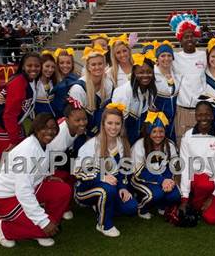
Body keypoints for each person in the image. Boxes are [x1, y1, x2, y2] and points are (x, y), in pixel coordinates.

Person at [0, 113, 71, 247]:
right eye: (45, 127)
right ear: (36, 128)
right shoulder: (27, 151)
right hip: (4, 196)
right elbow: (23, 191)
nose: (50, 131)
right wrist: (43, 222)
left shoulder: (44, 143)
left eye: (53, 128)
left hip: (29, 188)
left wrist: (47, 176)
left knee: (63, 190)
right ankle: (5, 227)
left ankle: (41, 225)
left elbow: (40, 165)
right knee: (45, 229)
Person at [74, 104, 137, 237]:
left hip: (112, 187)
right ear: (103, 124)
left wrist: (123, 187)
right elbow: (78, 172)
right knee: (107, 189)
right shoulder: (92, 145)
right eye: (109, 123)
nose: (113, 127)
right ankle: (104, 224)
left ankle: (101, 205)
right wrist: (101, 177)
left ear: (121, 125)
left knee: (131, 208)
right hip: (85, 189)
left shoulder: (123, 143)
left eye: (117, 123)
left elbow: (125, 171)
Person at [179, 100, 215, 225]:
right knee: (203, 183)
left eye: (207, 114)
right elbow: (185, 168)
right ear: (195, 116)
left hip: (214, 184)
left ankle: (199, 203)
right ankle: (192, 201)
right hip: (196, 181)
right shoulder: (187, 136)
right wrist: (184, 198)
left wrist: (213, 195)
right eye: (200, 115)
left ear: (212, 115)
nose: (204, 118)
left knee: (213, 219)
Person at [0, 52, 40, 158]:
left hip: (9, 124)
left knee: (18, 159)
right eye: (29, 65)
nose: (33, 68)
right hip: (0, 125)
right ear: (23, 66)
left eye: (37, 66)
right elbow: (9, 115)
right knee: (10, 162)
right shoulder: (19, 82)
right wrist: (14, 141)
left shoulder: (31, 80)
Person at [131, 111, 181, 219]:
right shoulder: (140, 145)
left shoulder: (169, 144)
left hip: (163, 178)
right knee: (155, 195)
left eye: (161, 131)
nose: (158, 135)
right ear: (149, 132)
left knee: (176, 196)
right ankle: (142, 207)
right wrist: (161, 180)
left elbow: (174, 166)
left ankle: (161, 205)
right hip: (140, 178)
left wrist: (168, 181)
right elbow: (139, 171)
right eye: (154, 131)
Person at [169, 10, 205, 144]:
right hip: (182, 109)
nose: (189, 39)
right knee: (183, 144)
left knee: (201, 143)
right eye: (185, 37)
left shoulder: (204, 56)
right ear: (180, 39)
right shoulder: (175, 57)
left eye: (191, 36)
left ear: (196, 37)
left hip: (201, 109)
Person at [47, 100, 88, 220]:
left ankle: (67, 202)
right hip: (46, 160)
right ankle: (56, 206)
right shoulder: (59, 136)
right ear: (67, 119)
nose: (82, 123)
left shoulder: (74, 128)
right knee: (60, 178)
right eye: (77, 120)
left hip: (62, 154)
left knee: (72, 174)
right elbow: (47, 159)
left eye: (84, 119)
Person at [111, 51, 157, 145]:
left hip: (136, 136)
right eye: (141, 72)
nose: (145, 75)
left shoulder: (149, 91)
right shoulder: (124, 92)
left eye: (149, 72)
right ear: (134, 73)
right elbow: (117, 123)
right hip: (121, 137)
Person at [69, 45, 113, 137]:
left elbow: (105, 110)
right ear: (88, 67)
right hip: (80, 129)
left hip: (99, 126)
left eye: (100, 64)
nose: (97, 67)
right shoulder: (78, 88)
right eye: (93, 64)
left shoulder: (108, 84)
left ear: (105, 65)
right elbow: (75, 116)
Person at [153, 41, 179, 142]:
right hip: (158, 120)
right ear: (157, 59)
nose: (166, 58)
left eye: (169, 55)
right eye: (162, 56)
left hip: (174, 121)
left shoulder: (176, 73)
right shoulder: (152, 74)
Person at [51, 47, 79, 118]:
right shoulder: (53, 79)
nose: (65, 65)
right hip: (55, 115)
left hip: (71, 115)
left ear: (72, 64)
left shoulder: (77, 79)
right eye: (62, 63)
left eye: (68, 63)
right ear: (57, 64)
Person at [34, 52, 57, 116]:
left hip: (53, 120)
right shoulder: (34, 83)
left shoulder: (54, 82)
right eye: (47, 66)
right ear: (40, 66)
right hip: (39, 121)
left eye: (53, 67)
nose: (50, 70)